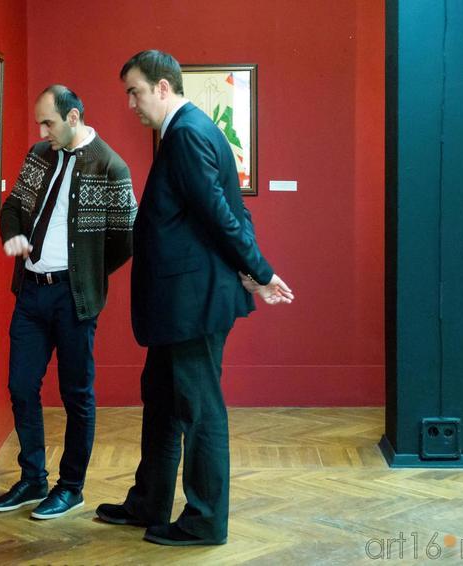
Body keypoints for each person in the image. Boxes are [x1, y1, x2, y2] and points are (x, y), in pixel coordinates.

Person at [95, 50, 294, 546]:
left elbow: (222, 216)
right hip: (180, 303)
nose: (131, 103)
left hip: (191, 303)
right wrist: (251, 270)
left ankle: (204, 521)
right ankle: (149, 502)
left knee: (200, 411)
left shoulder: (185, 134)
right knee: (162, 399)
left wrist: (260, 271)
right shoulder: (195, 129)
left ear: (163, 87)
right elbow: (231, 209)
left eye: (135, 92)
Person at [0, 85, 137, 520]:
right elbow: (12, 207)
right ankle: (33, 478)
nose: (42, 131)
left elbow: (125, 239)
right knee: (21, 386)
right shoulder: (40, 155)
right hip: (31, 292)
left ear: (73, 118)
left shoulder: (111, 167)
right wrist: (12, 236)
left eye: (48, 123)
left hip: (74, 298)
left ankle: (71, 487)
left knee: (76, 395)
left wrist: (87, 275)